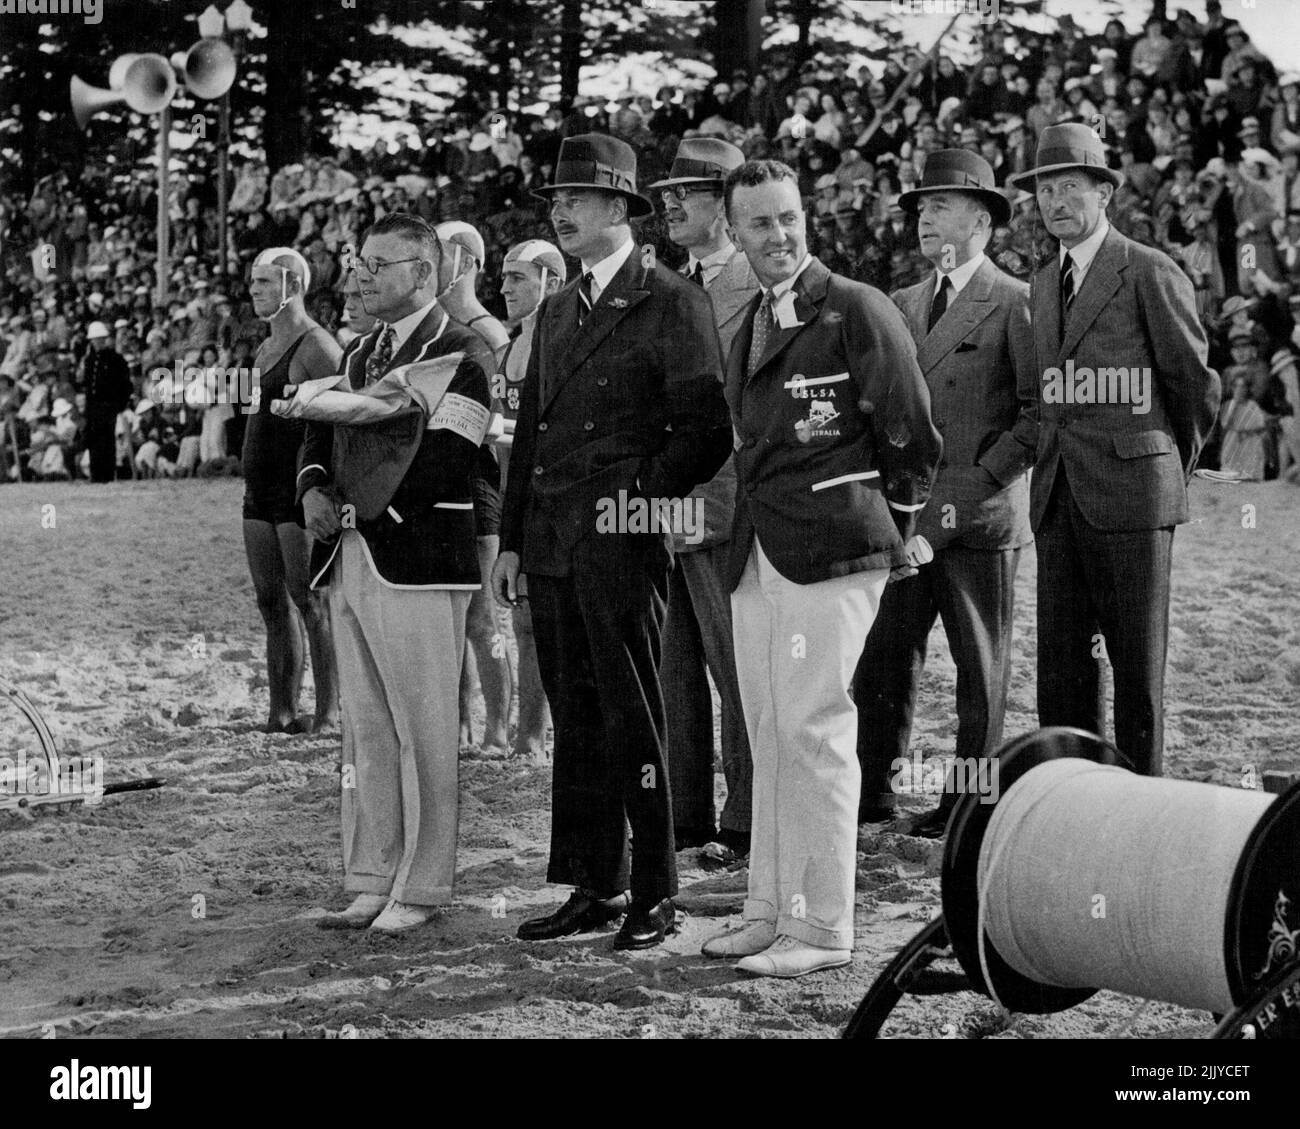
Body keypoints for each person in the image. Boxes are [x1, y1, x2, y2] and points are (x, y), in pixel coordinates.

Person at [700, 159, 941, 977]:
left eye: (789, 217)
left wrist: (895, 533)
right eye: (760, 223)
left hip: (836, 548)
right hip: (760, 551)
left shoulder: (856, 308)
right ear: (734, 234)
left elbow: (911, 432)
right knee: (769, 732)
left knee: (816, 731)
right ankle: (768, 910)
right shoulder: (751, 322)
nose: (779, 235)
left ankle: (824, 926)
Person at [491, 134, 732, 950]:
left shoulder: (669, 297)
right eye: (555, 200)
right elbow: (530, 430)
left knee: (635, 715)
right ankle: (596, 881)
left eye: (576, 199)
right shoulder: (557, 309)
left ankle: (656, 892)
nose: (559, 211)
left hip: (623, 541)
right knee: (579, 714)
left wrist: (639, 502)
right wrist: (513, 539)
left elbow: (703, 431)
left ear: (620, 208)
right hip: (555, 540)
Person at [297, 214, 492, 933]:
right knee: (367, 728)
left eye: (380, 264)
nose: (363, 275)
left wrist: (353, 491)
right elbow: (315, 434)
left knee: (426, 726)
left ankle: (424, 883)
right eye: (361, 262)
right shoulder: (356, 352)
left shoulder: (466, 351)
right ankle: (373, 875)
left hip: (416, 554)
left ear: (424, 272)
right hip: (348, 552)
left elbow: (447, 456)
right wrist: (315, 488)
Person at [1006, 123, 1219, 778]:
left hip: (1132, 500)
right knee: (1061, 673)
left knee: (1135, 674)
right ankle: (1073, 802)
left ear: (1104, 193)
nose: (1056, 201)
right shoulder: (1042, 283)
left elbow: (1195, 386)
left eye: (1072, 186)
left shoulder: (1149, 270)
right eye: (1046, 189)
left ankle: (1139, 807)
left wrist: (1158, 470)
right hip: (1058, 496)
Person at [855, 150, 1037, 838]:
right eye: (921, 208)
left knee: (978, 674)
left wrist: (969, 492)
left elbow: (1034, 416)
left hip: (976, 522)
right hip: (901, 519)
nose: (924, 218)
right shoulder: (899, 303)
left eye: (939, 205)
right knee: (884, 662)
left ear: (982, 219)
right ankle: (874, 795)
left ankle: (967, 809)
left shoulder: (1015, 302)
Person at [648, 137, 758, 868]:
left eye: (687, 192)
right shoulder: (673, 283)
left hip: (727, 506)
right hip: (670, 506)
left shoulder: (759, 282)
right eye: (668, 192)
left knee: (739, 669)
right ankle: (686, 815)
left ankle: (746, 821)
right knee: (677, 669)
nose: (670, 204)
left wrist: (711, 502)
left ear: (726, 202)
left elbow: (754, 414)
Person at [242, 247, 341, 736]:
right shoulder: (263, 349)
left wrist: (319, 487)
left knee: (310, 599)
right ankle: (280, 709)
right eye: (253, 281)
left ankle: (327, 713)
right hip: (258, 490)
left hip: (296, 490)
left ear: (293, 285)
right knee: (268, 599)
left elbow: (340, 422)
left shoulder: (318, 347)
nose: (254, 290)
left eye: (264, 282)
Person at [434, 220, 513, 757]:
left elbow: (501, 424)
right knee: (447, 614)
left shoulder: (489, 333)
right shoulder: (432, 326)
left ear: (462, 260)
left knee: (483, 613)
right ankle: (458, 723)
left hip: (478, 478)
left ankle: (499, 728)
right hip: (436, 482)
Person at [496, 238, 565, 760]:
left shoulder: (560, 344)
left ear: (552, 283)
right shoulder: (507, 348)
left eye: (518, 277)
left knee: (539, 621)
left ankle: (533, 733)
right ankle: (528, 731)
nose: (505, 288)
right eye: (504, 277)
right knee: (520, 619)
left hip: (551, 498)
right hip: (511, 496)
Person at [81, 320, 132, 482]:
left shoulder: (115, 359)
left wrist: (119, 404)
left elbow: (125, 384)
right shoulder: (89, 360)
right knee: (93, 440)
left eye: (100, 339)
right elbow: (89, 386)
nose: (97, 342)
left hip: (108, 405)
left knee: (107, 440)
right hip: (93, 406)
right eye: (94, 339)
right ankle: (96, 474)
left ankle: (107, 475)